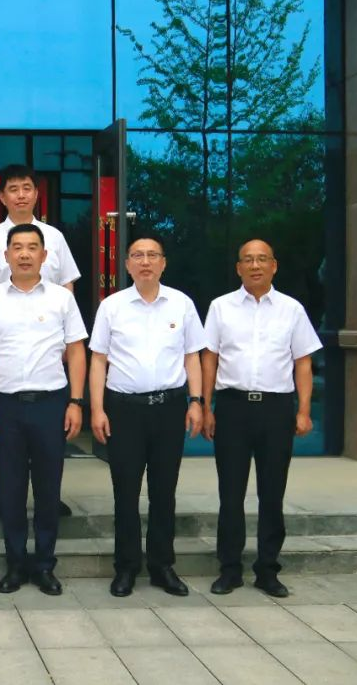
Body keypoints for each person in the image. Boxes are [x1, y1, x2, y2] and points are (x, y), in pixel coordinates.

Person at [0, 224, 87, 595]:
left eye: (32, 247)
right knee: (11, 488)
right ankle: (15, 563)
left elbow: (76, 351)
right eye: (17, 247)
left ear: (44, 255)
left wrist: (76, 401)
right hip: (5, 404)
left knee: (49, 488)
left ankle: (45, 564)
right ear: (5, 256)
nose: (24, 254)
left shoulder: (61, 298)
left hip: (51, 403)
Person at [202, 239, 322, 599]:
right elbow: (210, 359)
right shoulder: (221, 307)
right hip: (233, 408)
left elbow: (303, 362)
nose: (255, 265)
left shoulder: (292, 310)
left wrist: (304, 410)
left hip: (276, 410)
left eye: (262, 259)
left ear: (274, 265)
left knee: (272, 493)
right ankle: (229, 569)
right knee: (231, 494)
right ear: (238, 268)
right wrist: (206, 406)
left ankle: (268, 570)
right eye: (248, 260)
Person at [89, 235, 206, 598]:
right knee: (125, 492)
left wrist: (197, 401)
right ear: (126, 264)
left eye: (152, 255)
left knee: (164, 491)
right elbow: (98, 360)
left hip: (169, 408)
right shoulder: (112, 307)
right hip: (124, 409)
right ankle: (126, 567)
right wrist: (97, 409)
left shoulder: (181, 304)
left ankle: (162, 566)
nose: (145, 262)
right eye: (137, 255)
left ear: (163, 263)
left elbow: (192, 356)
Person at [0, 164, 82, 520]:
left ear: (36, 194)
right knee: (7, 439)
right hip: (4, 349)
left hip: (48, 348)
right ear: (2, 196)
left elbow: (66, 286)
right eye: (13, 189)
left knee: (50, 441)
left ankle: (50, 498)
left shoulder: (54, 238)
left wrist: (63, 343)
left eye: (27, 188)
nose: (20, 194)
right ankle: (4, 495)